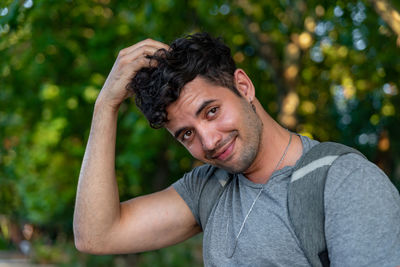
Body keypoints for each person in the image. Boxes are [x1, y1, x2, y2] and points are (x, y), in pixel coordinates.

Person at [73, 32, 400, 266]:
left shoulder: (345, 182)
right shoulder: (208, 188)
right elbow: (96, 236)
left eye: (211, 111)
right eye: (187, 134)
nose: (209, 141)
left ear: (243, 87)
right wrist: (106, 105)